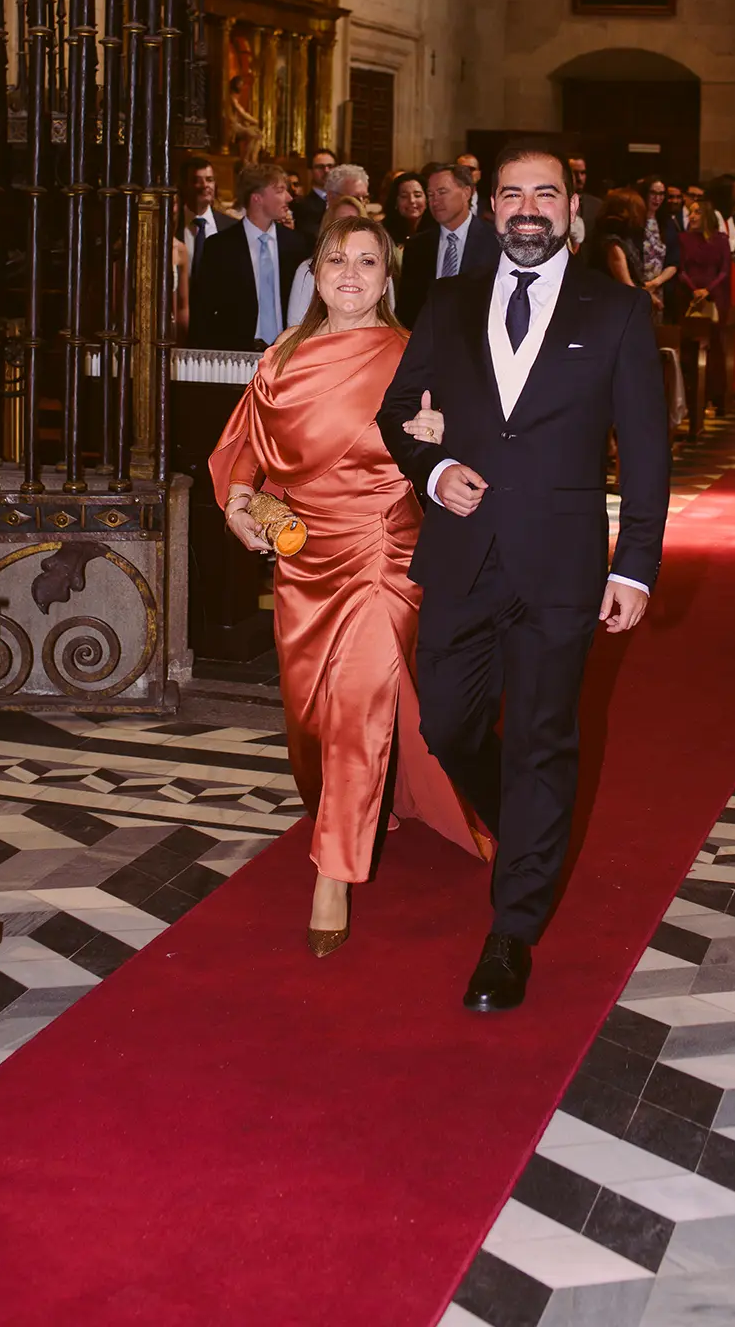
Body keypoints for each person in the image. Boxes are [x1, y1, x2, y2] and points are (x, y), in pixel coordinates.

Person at [377, 146, 670, 1013]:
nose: (527, 208)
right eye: (512, 195)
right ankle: (528, 822)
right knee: (446, 722)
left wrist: (635, 565)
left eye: (545, 194)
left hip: (559, 563)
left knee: (542, 739)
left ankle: (511, 931)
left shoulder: (615, 309)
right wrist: (434, 471)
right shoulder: (450, 299)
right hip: (463, 555)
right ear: (490, 207)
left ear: (571, 207)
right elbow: (397, 411)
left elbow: (646, 450)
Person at [211, 214, 490, 954]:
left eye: (368, 262)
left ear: (387, 277)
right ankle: (361, 801)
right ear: (315, 273)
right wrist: (240, 506)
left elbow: (462, 445)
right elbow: (248, 448)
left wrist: (439, 440)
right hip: (304, 558)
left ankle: (333, 874)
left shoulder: (412, 354)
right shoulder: (282, 355)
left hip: (381, 551)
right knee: (313, 718)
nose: (351, 274)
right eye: (337, 260)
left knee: (359, 707)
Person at [189, 161, 311, 350]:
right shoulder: (219, 247)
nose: (288, 197)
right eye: (280, 190)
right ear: (257, 198)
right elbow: (202, 311)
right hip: (234, 354)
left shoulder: (297, 244)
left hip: (287, 352)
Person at [396, 161, 500, 328]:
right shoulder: (417, 246)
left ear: (466, 192)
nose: (435, 201)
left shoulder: (496, 242)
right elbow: (407, 310)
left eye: (442, 192)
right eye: (430, 195)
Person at [285, 164, 371, 325]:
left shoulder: (377, 269)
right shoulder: (308, 270)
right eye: (355, 197)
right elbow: (296, 325)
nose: (348, 230)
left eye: (363, 198)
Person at [677, 197, 731, 408]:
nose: (692, 216)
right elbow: (681, 268)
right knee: (689, 347)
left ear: (707, 215)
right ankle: (690, 397)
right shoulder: (683, 238)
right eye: (690, 212)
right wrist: (694, 290)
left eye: (697, 212)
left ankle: (714, 395)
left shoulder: (721, 240)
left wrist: (708, 290)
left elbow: (724, 270)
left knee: (714, 346)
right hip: (689, 296)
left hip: (714, 296)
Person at [588, 189, 676, 312]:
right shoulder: (613, 243)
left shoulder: (620, 238)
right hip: (612, 306)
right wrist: (649, 298)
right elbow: (627, 284)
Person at [179, 155, 232, 302]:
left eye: (209, 180)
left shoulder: (230, 227)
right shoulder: (171, 226)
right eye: (197, 180)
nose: (205, 186)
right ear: (184, 186)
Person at [636, 176, 681, 303]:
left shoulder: (667, 223)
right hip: (635, 287)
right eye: (653, 193)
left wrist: (655, 283)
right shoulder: (634, 221)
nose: (657, 198)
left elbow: (674, 261)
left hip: (659, 287)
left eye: (661, 194)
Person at [291, 148, 338, 245]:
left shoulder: (344, 200)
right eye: (320, 167)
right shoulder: (302, 206)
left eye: (330, 166)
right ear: (311, 171)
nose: (326, 171)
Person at [382, 171, 427, 257]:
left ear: (427, 200)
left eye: (417, 195)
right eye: (404, 196)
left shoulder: (438, 233)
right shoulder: (383, 233)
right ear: (395, 201)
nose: (412, 200)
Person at [566, 155, 601, 249]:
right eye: (574, 173)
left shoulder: (597, 205)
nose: (579, 178)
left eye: (583, 173)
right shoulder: (555, 204)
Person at [456, 151, 492, 220]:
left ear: (479, 174)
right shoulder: (448, 204)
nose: (467, 173)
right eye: (462, 169)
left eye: (471, 169)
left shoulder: (490, 206)